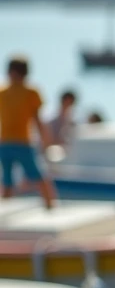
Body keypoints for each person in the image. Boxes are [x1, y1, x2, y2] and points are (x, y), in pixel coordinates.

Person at [0, 57, 56, 208]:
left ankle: (51, 206)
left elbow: (37, 118)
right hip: (5, 142)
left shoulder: (31, 92)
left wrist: (45, 140)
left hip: (24, 141)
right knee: (6, 180)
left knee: (37, 174)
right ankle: (5, 210)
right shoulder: (2, 92)